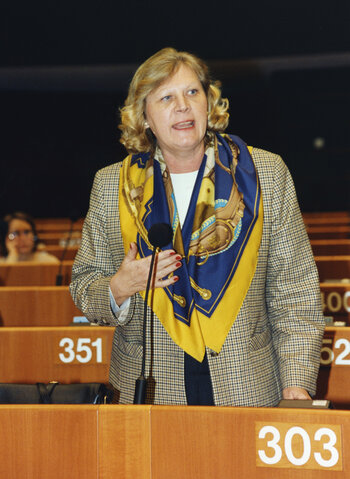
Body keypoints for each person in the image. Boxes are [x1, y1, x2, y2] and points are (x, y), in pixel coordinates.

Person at [70, 48, 325, 406]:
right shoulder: (112, 185)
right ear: (144, 116)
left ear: (210, 103)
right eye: (166, 97)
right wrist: (120, 286)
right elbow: (83, 286)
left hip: (247, 387)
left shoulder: (265, 173)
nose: (183, 106)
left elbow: (295, 291)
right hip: (149, 391)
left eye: (192, 92)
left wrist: (297, 385)